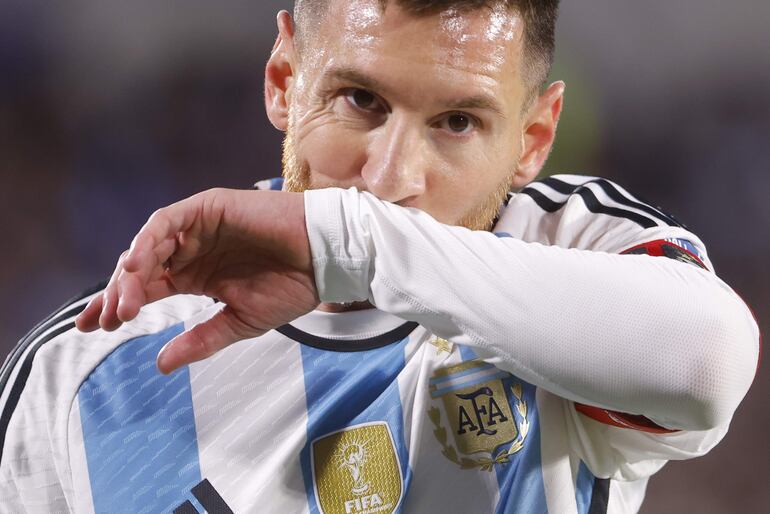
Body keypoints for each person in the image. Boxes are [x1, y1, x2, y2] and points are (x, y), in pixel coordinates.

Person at [0, 1, 760, 513]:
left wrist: (349, 245)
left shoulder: (567, 250)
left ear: (533, 140)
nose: (390, 179)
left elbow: (709, 362)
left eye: (457, 122)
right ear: (283, 82)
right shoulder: (80, 371)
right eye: (361, 101)